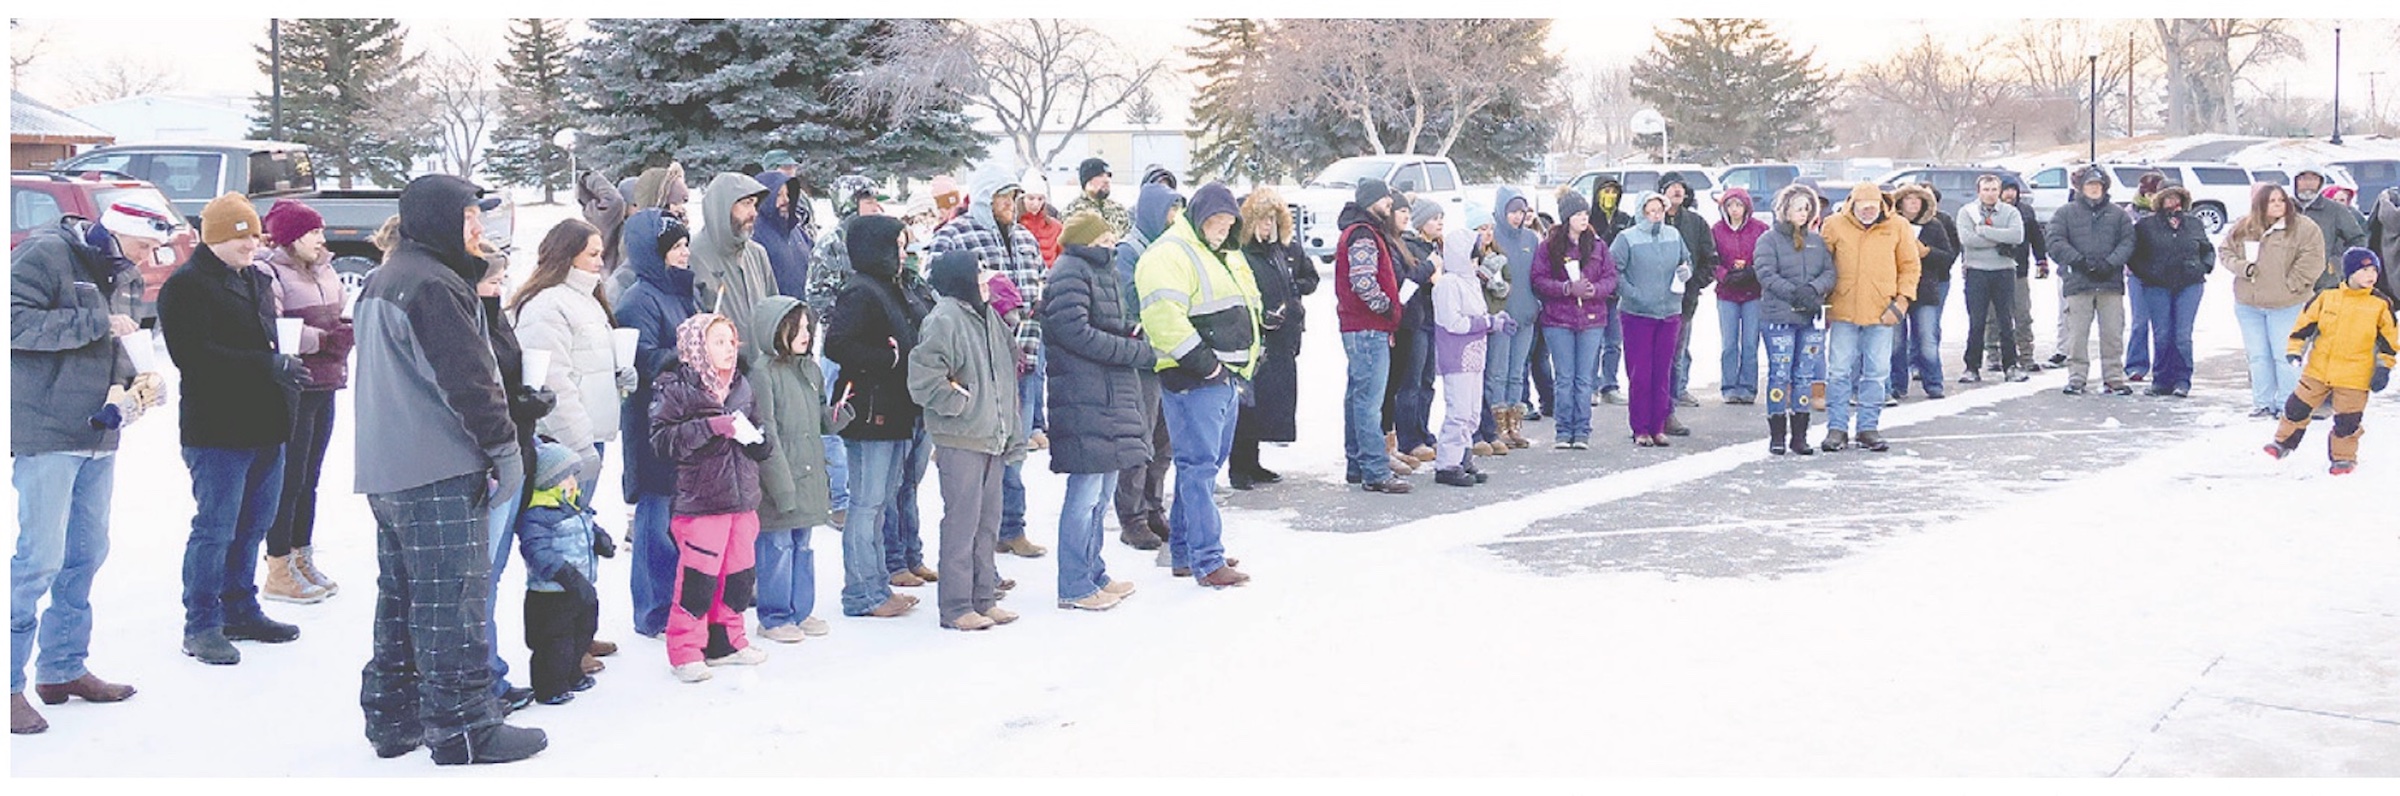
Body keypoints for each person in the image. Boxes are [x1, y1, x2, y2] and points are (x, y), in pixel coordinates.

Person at [353, 174, 547, 764]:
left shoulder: (386, 277)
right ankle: (464, 728)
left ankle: (393, 717)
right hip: (434, 467)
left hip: (388, 470)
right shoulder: (432, 285)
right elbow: (468, 383)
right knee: (450, 604)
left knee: (402, 599)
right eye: (469, 219)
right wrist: (506, 450)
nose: (479, 231)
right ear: (438, 220)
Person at [10, 200, 171, 734]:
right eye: (146, 246)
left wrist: (138, 385)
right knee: (39, 559)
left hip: (99, 433)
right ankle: (9, 684)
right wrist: (95, 321)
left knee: (86, 553)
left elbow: (118, 344)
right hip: (48, 430)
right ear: (120, 232)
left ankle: (62, 669)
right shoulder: (46, 253)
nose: (150, 259)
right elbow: (12, 322)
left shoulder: (123, 273)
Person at [159, 192, 303, 665]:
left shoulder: (256, 278)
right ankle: (201, 623)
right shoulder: (186, 286)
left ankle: (240, 607)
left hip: (265, 423)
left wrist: (283, 365)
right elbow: (195, 359)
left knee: (255, 523)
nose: (253, 246)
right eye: (243, 238)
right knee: (216, 527)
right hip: (217, 428)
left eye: (255, 236)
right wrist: (267, 364)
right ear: (217, 238)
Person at [1135, 182, 1264, 586]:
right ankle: (1208, 559)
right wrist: (1205, 365)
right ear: (1198, 216)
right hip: (1195, 379)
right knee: (1199, 468)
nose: (1223, 230)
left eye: (1229, 223)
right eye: (1217, 222)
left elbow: (1247, 303)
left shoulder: (1226, 253)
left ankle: (1187, 551)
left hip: (1226, 377)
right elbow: (1164, 318)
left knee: (1202, 467)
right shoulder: (1170, 254)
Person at [930, 169, 1051, 559]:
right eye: (1001, 197)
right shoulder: (956, 235)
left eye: (1012, 198)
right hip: (980, 366)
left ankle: (1012, 528)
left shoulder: (1026, 240)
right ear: (984, 198)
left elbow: (1040, 284)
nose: (1008, 206)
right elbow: (937, 289)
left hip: (1025, 354)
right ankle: (982, 542)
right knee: (985, 457)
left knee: (1014, 450)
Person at [649, 313, 773, 681]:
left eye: (732, 341)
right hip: (701, 502)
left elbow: (760, 425)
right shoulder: (675, 387)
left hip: (742, 498)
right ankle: (686, 651)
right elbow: (661, 441)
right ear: (696, 347)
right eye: (718, 341)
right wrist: (710, 427)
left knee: (739, 577)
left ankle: (727, 642)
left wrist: (759, 441)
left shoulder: (742, 385)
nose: (729, 350)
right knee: (697, 581)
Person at [908, 252, 1028, 629]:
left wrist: (1009, 424)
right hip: (961, 436)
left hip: (991, 433)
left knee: (988, 521)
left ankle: (984, 598)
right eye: (976, 273)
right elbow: (923, 379)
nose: (983, 279)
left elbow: (1007, 370)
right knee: (962, 522)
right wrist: (963, 401)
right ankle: (957, 606)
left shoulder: (988, 315)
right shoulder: (943, 319)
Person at [1043, 212, 1150, 610]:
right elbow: (1075, 331)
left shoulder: (1100, 272)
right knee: (1085, 494)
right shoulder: (1071, 271)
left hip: (1108, 394)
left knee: (1102, 493)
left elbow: (1105, 322)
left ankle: (1094, 571)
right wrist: (1130, 351)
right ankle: (1074, 584)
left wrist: (1129, 332)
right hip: (1084, 396)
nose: (1111, 243)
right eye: (1105, 237)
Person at [824, 214, 926, 618]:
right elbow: (837, 344)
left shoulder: (892, 288)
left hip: (896, 408)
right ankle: (861, 592)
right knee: (866, 505)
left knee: (882, 503)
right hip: (870, 412)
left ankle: (878, 585)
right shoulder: (861, 292)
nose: (903, 254)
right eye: (897, 246)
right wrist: (887, 358)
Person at [253, 201, 352, 604]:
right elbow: (275, 328)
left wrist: (344, 332)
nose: (321, 239)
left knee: (311, 476)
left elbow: (339, 310)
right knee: (289, 477)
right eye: (313, 233)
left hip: (326, 381)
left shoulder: (325, 268)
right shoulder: (270, 271)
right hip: (294, 384)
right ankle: (278, 564)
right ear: (292, 237)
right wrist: (323, 340)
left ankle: (301, 554)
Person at [613, 210, 697, 637]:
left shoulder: (683, 292)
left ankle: (680, 599)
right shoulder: (638, 300)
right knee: (655, 518)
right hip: (652, 423)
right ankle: (653, 609)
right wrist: (683, 352)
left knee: (681, 516)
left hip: (685, 419)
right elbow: (641, 360)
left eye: (686, 246)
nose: (684, 254)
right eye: (676, 248)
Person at [746, 296, 839, 642]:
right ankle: (774, 615)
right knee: (777, 547)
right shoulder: (763, 373)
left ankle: (801, 610)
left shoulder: (810, 370)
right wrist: (781, 486)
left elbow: (820, 418)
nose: (805, 334)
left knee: (803, 544)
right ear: (775, 331)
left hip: (808, 474)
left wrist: (840, 415)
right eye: (796, 328)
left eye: (807, 327)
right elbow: (766, 432)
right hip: (780, 480)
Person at [2264, 248, 2396, 474]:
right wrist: (2295, 351)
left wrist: (2383, 369)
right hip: (2318, 370)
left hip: (2355, 376)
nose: (2370, 275)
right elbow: (2303, 327)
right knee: (2296, 407)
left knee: (2348, 421)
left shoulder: (2380, 304)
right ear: (2350, 272)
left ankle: (2343, 459)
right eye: (2364, 270)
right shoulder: (2327, 296)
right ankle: (2283, 443)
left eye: (2374, 270)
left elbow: (2390, 343)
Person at [1818, 184, 1922, 452]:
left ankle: (1868, 428)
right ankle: (1837, 429)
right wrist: (1823, 301)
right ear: (1852, 205)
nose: (1867, 212)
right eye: (1862, 208)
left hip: (1882, 313)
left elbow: (1910, 266)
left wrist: (1901, 301)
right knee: (1839, 371)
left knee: (1876, 373)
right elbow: (1822, 264)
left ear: (1881, 206)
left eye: (1872, 208)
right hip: (1843, 311)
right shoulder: (1834, 225)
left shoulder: (1898, 226)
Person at [1114, 184, 1186, 544]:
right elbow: (1129, 300)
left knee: (1163, 441)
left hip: (1169, 354)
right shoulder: (1130, 250)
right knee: (1139, 440)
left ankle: (1154, 506)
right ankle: (1132, 517)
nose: (1175, 218)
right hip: (1142, 357)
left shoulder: (1169, 248)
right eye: (1171, 211)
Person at [1233, 188, 1318, 489]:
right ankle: (1239, 466)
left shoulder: (1279, 250)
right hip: (1258, 340)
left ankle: (1252, 462)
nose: (1268, 226)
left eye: (1272, 219)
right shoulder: (1242, 254)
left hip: (1281, 337)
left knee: (1268, 404)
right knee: (1249, 404)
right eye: (1262, 220)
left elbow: (1307, 278)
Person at [1333, 178, 1413, 494]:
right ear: (1372, 202)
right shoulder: (1364, 234)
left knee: (1357, 397)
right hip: (1367, 327)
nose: (1390, 207)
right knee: (1368, 401)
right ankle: (1374, 470)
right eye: (1386, 203)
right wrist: (1388, 309)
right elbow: (1363, 281)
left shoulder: (1362, 231)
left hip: (1361, 326)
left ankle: (1358, 464)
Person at [2220, 184, 2328, 417]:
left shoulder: (2304, 227)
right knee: (2258, 355)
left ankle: (2287, 404)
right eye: (2271, 201)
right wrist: (2242, 268)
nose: (2278, 205)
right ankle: (2263, 403)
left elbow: (2313, 260)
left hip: (2287, 304)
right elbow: (2226, 252)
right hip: (2249, 304)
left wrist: (2292, 285)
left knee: (2284, 354)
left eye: (2281, 200)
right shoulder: (2244, 226)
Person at [515, 442, 604, 705]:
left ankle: (573, 672)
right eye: (567, 476)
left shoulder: (574, 506)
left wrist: (600, 538)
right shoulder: (538, 515)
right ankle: (549, 685)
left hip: (581, 587)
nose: (574, 482)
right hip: (551, 594)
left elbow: (588, 526)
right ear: (550, 480)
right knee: (555, 642)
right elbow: (536, 550)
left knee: (583, 631)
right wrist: (564, 573)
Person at [1755, 185, 1836, 455]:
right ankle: (1777, 434)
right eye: (1799, 208)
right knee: (1780, 373)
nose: (1804, 214)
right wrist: (1794, 293)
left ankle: (1799, 435)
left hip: (1809, 316)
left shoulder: (1817, 241)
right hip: (1779, 315)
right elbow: (1765, 273)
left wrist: (1813, 290)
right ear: (1785, 210)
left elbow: (1829, 272)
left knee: (1803, 375)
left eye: (1807, 209)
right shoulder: (1769, 240)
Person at [1432, 209, 1510, 484]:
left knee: (1473, 411)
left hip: (1476, 353)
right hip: (1457, 354)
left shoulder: (1471, 281)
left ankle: (1464, 456)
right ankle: (1447, 463)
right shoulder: (1448, 284)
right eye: (1472, 254)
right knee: (1459, 410)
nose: (1476, 260)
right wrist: (1485, 322)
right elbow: (1453, 321)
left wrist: (1494, 322)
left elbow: (1479, 315)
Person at [2048, 166, 2138, 397]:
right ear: (2081, 188)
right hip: (2078, 282)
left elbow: (2128, 242)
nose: (2094, 189)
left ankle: (2114, 378)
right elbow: (2055, 242)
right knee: (2077, 334)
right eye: (2090, 185)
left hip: (2110, 284)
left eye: (2098, 185)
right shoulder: (2065, 213)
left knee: (2112, 334)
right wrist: (2079, 262)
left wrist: (2109, 263)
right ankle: (2077, 378)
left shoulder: (2118, 214)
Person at [1609, 192, 1687, 447]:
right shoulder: (1627, 238)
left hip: (1669, 312)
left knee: (1663, 371)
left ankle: (1659, 426)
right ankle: (1640, 428)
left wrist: (1685, 272)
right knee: (1641, 372)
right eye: (1651, 210)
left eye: (1659, 210)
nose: (1656, 215)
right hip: (1637, 314)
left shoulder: (1673, 235)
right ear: (1641, 211)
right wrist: (1634, 294)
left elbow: (1686, 260)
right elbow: (1614, 270)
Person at [2128, 185, 2215, 398]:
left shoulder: (2193, 223)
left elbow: (2207, 249)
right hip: (2156, 285)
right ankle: (2161, 380)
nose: (2172, 202)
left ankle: (2182, 380)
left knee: (2182, 335)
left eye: (2176, 197)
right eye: (2167, 198)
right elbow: (2134, 255)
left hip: (2189, 284)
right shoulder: (2146, 225)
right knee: (2162, 334)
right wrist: (2147, 274)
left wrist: (2203, 267)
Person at [1888, 184, 1957, 401]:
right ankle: (1897, 384)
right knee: (1896, 341)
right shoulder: (1890, 226)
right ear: (1899, 202)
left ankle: (1934, 383)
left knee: (1927, 337)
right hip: (1896, 290)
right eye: (1909, 199)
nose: (1914, 203)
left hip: (1925, 290)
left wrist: (1927, 252)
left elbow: (1948, 256)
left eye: (1918, 199)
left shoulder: (1934, 226)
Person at [1957, 174, 2028, 384]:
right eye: (1986, 190)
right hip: (1976, 271)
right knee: (1977, 321)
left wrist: (1985, 231)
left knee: (2006, 320)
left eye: (1994, 189)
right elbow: (1967, 239)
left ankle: (2011, 365)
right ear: (1979, 191)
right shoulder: (1966, 212)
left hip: (2003, 271)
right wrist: (1999, 239)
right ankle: (1972, 366)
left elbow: (2017, 236)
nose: (1990, 194)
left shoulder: (2010, 212)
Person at [1659, 173, 1718, 425]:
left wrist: (1694, 281)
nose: (1676, 191)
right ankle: (1657, 400)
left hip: (1684, 299)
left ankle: (1674, 395)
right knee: (1657, 353)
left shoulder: (1696, 222)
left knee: (1677, 349)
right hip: (1652, 300)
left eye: (1680, 187)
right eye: (1671, 187)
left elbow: (1711, 260)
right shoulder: (1653, 220)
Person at [690, 173, 778, 336]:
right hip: (719, 360)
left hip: (761, 360)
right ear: (723, 206)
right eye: (746, 204)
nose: (754, 213)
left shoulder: (757, 253)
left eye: (755, 204)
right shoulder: (693, 256)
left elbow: (773, 314)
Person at [1487, 188, 1542, 449]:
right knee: (1497, 371)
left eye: (1521, 212)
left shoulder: (1531, 238)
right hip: (1500, 315)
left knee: (1517, 371)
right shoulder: (1493, 236)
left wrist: (1537, 303)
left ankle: (1514, 422)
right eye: (1513, 212)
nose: (1518, 217)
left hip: (1525, 314)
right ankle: (1496, 424)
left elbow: (1539, 274)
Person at [1391, 199, 1444, 465]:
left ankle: (1422, 431)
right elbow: (1414, 278)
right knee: (1410, 382)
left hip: (1433, 318)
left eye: (1441, 218)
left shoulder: (1436, 247)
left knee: (1427, 381)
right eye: (1434, 218)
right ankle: (1408, 438)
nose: (1439, 223)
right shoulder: (1411, 246)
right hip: (1416, 320)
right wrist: (1430, 269)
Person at [1711, 188, 1769, 404]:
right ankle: (1729, 386)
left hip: (1753, 292)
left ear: (1746, 207)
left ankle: (1748, 386)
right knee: (1729, 343)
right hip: (1727, 293)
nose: (1734, 210)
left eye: (1738, 205)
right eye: (1730, 205)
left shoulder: (1760, 229)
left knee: (1750, 342)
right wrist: (1724, 275)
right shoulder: (1716, 230)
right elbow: (1711, 259)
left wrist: (1752, 272)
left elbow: (1767, 257)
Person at [1989, 176, 2051, 372]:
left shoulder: (2026, 212)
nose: (2009, 194)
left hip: (2019, 270)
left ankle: (2026, 354)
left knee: (2022, 314)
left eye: (2012, 190)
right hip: (1993, 269)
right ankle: (1994, 354)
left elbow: (2036, 239)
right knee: (1993, 315)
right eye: (2006, 190)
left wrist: (2041, 260)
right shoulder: (1989, 212)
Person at [1589, 178, 1637, 406]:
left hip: (1617, 292)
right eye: (1606, 191)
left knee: (1614, 341)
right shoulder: (1587, 220)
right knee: (1593, 341)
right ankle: (1591, 385)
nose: (1610, 196)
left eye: (1614, 192)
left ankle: (1610, 384)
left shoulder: (1624, 220)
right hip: (1594, 291)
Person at [2292, 167, 2369, 291]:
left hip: (2325, 283)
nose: (2308, 183)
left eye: (2314, 178)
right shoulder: (2285, 208)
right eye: (2303, 178)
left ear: (2321, 182)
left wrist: (2338, 262)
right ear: (2295, 181)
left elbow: (2358, 239)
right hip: (2289, 283)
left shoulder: (2335, 210)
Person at [753, 171, 815, 302]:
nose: (785, 200)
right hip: (776, 316)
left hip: (803, 313)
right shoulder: (754, 235)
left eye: (787, 194)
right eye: (778, 195)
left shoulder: (795, 230)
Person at [1066, 157, 1133, 238]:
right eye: (1100, 176)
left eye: (1108, 176)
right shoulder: (1073, 212)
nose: (1106, 180)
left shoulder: (1118, 209)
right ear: (1087, 181)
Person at [577, 170, 629, 273]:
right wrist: (588, 177)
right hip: (608, 280)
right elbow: (614, 200)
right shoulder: (605, 218)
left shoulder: (616, 221)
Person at [1019, 169, 1064, 267]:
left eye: (1040, 199)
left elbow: (1064, 259)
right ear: (1022, 198)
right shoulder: (1013, 227)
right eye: (1031, 198)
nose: (1036, 204)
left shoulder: (1056, 227)